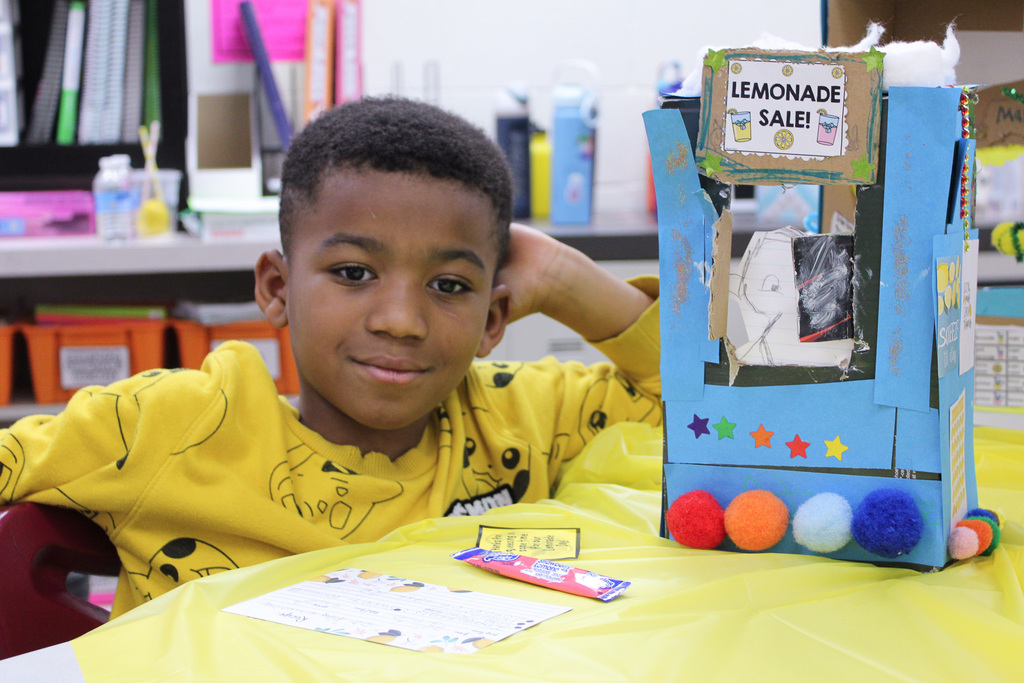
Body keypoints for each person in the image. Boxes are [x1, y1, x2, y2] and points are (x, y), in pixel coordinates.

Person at [0, 97, 661, 616]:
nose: (400, 321)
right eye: (352, 272)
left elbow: (721, 413)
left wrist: (563, 277)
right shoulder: (164, 430)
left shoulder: (521, 419)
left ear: (493, 319)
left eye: (450, 285)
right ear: (277, 288)